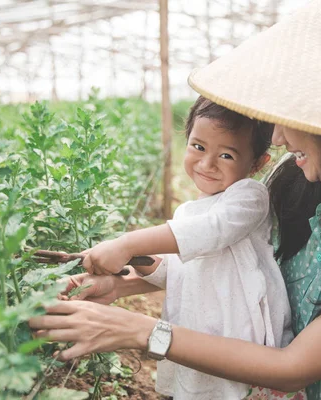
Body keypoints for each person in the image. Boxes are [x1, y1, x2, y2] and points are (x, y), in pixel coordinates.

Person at [30, 0, 321, 399]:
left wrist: (142, 330)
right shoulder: (302, 190)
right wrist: (123, 285)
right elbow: (235, 263)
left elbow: (291, 369)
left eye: (289, 121)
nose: (279, 138)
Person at [61, 95, 300, 399]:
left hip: (239, 341)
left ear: (256, 163)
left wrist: (126, 243)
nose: (206, 163)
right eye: (198, 147)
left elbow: (212, 232)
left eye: (226, 155)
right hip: (194, 336)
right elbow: (178, 273)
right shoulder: (189, 211)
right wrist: (136, 257)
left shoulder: (249, 197)